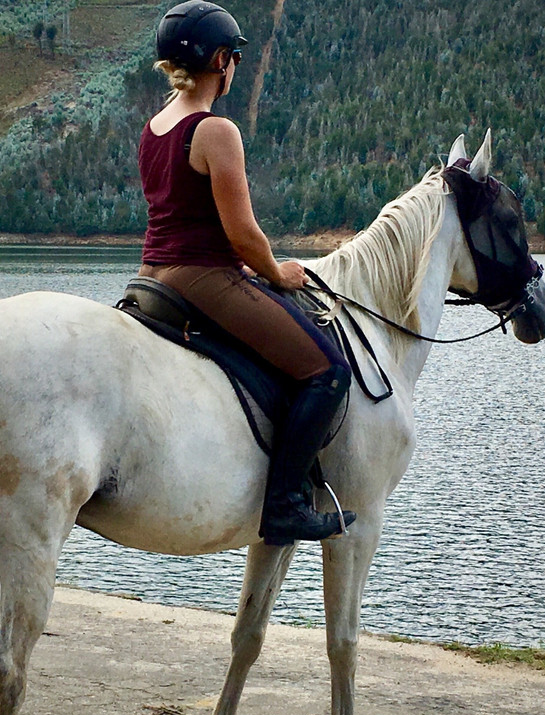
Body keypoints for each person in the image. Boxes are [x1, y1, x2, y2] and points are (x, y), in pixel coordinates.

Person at [138, 0, 355, 546]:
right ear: (219, 61)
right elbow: (242, 234)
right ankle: (283, 506)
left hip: (151, 275)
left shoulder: (155, 126)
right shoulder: (215, 131)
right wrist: (277, 273)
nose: (235, 65)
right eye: (234, 56)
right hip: (203, 277)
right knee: (328, 370)